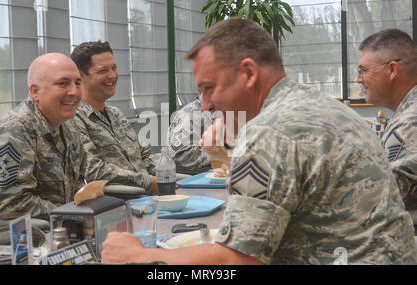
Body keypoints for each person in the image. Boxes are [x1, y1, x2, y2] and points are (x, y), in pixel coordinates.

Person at [101, 18, 416, 265]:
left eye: (210, 88)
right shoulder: (323, 105)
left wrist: (142, 257)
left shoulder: (269, 130)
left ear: (248, 74)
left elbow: (238, 261)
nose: (206, 104)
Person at [0, 53, 95, 220]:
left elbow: (79, 182)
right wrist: (72, 215)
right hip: (29, 236)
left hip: (65, 227)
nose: (74, 92)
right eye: (62, 83)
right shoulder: (15, 130)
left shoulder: (68, 125)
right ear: (35, 91)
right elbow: (9, 203)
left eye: (78, 83)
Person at [70, 41, 158, 195]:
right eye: (103, 70)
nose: (112, 75)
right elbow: (93, 169)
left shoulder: (116, 114)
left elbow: (144, 155)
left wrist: (166, 174)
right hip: (120, 204)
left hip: (151, 196)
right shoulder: (74, 119)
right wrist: (149, 183)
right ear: (81, 75)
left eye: (114, 68)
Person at [356, 29, 416, 211]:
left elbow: (377, 194)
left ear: (392, 70)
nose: (358, 80)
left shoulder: (408, 125)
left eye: (364, 71)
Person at [166, 94, 214, 175]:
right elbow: (180, 156)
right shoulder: (191, 115)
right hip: (193, 181)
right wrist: (222, 155)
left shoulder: (217, 113)